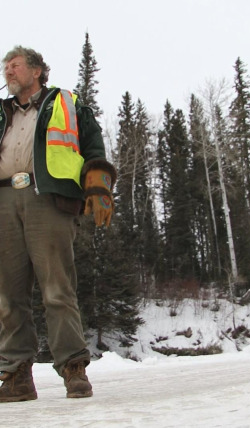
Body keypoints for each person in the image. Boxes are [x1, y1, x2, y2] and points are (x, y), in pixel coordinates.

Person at [0, 46, 116, 402]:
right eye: (5, 68)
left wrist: (98, 185)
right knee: (8, 296)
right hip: (3, 201)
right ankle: (17, 375)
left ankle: (73, 369)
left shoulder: (66, 103)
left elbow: (93, 145)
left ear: (36, 71)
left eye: (15, 66)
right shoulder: (1, 112)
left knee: (57, 289)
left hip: (46, 199)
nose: (8, 73)